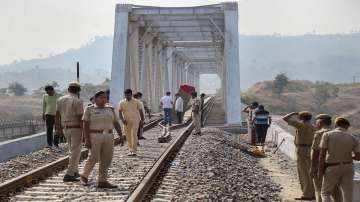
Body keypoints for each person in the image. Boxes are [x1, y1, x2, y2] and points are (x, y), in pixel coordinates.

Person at [80, 91, 123, 188]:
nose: (104, 99)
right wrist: (86, 139)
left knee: (107, 158)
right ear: (95, 99)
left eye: (105, 97)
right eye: (101, 98)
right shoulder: (89, 109)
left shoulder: (110, 109)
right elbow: (85, 124)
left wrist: (121, 136)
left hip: (109, 136)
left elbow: (116, 123)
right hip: (95, 135)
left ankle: (102, 180)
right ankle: (84, 176)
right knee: (94, 157)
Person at [318, 117, 360, 202]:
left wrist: (320, 170)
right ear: (347, 126)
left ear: (336, 124)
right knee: (348, 194)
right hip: (348, 167)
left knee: (325, 193)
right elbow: (358, 157)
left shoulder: (328, 135)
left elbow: (322, 154)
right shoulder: (352, 138)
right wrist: (348, 157)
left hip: (332, 167)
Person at [282, 111, 315, 200]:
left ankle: (307, 194)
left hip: (302, 150)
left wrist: (292, 113)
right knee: (309, 172)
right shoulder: (312, 126)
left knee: (304, 172)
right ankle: (312, 193)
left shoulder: (302, 125)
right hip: (310, 149)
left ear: (302, 118)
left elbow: (284, 118)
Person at [55, 81, 84, 182]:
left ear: (68, 89)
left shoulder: (60, 99)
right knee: (75, 151)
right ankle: (69, 174)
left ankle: (75, 171)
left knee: (72, 151)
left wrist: (58, 129)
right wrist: (84, 132)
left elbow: (57, 115)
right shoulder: (78, 101)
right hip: (76, 128)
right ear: (78, 91)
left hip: (65, 128)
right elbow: (80, 118)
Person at [310, 114, 341, 202]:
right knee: (335, 190)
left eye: (316, 123)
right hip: (334, 166)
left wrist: (312, 168)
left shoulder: (319, 133)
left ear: (320, 123)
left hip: (320, 165)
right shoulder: (336, 133)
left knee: (319, 189)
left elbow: (316, 152)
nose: (316, 125)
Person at [119, 89, 145, 156]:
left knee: (134, 134)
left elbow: (141, 112)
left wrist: (142, 120)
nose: (127, 96)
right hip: (126, 121)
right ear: (124, 95)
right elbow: (120, 112)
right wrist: (122, 119)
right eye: (126, 95)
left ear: (131, 94)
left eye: (128, 94)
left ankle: (134, 151)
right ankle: (130, 149)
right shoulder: (121, 103)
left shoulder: (137, 102)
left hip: (135, 120)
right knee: (128, 136)